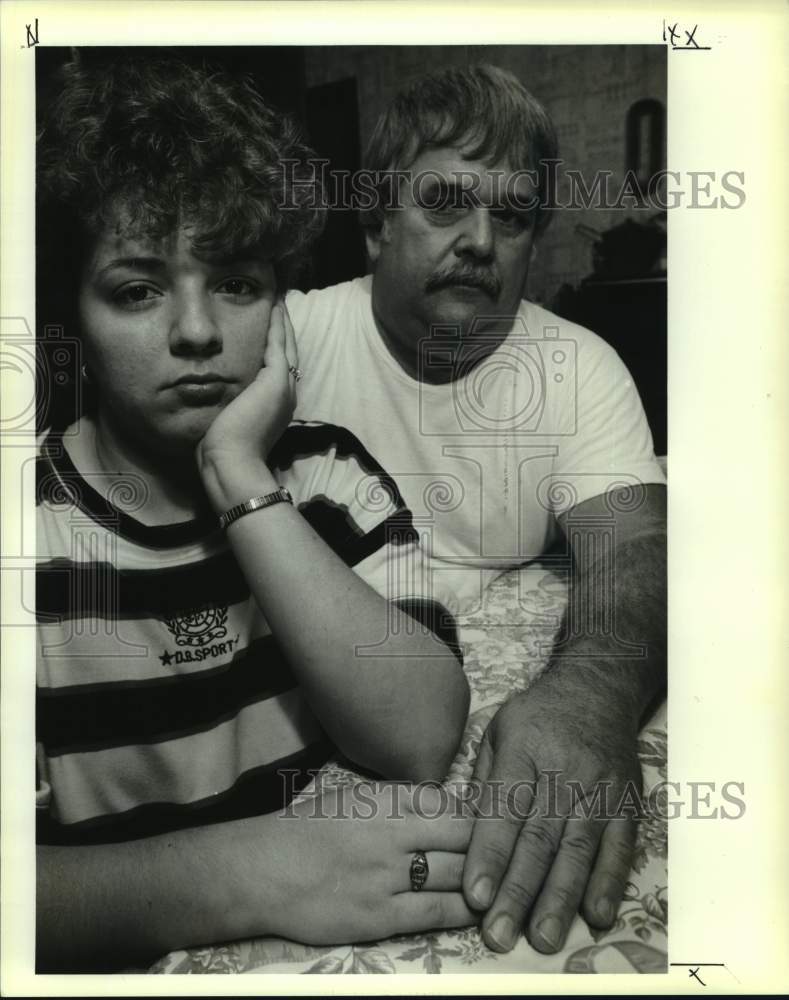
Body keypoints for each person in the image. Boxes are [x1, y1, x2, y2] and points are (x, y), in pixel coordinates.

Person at [34, 52, 475, 971]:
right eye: (136, 289)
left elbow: (420, 736)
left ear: (281, 308)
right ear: (70, 317)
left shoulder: (330, 480)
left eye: (235, 283)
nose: (196, 332)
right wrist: (252, 873)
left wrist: (237, 472)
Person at [287, 63, 667, 955]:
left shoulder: (577, 367)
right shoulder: (290, 340)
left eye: (513, 215)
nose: (480, 240)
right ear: (378, 224)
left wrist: (586, 694)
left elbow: (633, 546)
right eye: (446, 203)